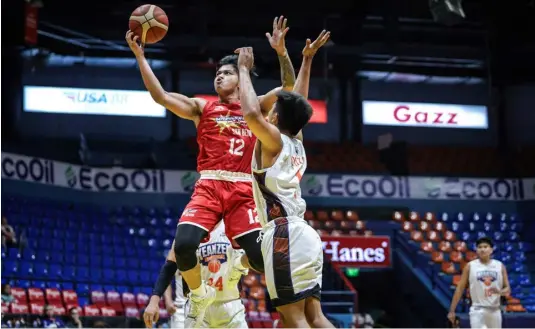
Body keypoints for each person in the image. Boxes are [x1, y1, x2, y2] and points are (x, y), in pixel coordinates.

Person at [130, 16, 296, 327]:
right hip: (209, 184)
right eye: (216, 74)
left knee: (261, 260)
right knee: (184, 245)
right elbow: (161, 97)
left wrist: (281, 51)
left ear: (240, 77)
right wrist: (141, 56)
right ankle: (199, 292)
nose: (218, 77)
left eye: (226, 73)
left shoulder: (256, 107)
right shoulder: (203, 108)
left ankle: (238, 267)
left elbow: (289, 87)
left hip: (244, 189)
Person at [235, 29, 334, 328]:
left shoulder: (274, 141)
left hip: (283, 236)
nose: (271, 112)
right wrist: (305, 59)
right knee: (314, 317)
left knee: (292, 318)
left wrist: (243, 70)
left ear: (277, 118)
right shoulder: (297, 141)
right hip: (304, 234)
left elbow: (251, 114)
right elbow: (297, 100)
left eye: (274, 110)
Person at [163, 222, 248, 328]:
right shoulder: (190, 232)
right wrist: (163, 299)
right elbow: (167, 270)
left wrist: (240, 265)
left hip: (230, 301)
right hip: (196, 305)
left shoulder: (230, 224)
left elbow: (248, 256)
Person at [448, 236, 510, 329]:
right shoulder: (470, 266)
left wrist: (499, 292)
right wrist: (452, 310)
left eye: (485, 247)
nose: (482, 249)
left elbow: (507, 289)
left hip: (495, 310)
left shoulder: (500, 266)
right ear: (476, 250)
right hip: (477, 309)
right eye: (480, 247)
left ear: (491, 250)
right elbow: (460, 288)